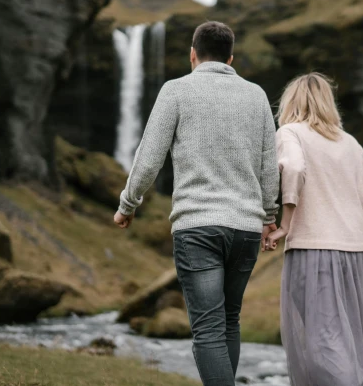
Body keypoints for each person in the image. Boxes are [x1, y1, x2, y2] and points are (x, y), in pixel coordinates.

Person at [113, 21, 280, 386]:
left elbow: (149, 156)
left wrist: (128, 203)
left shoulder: (176, 90)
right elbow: (270, 165)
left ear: (193, 54)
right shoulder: (256, 95)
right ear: (230, 58)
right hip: (247, 229)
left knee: (207, 328)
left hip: (198, 228)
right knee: (229, 320)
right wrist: (269, 216)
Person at [265, 73, 363, 386]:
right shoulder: (351, 143)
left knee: (323, 340)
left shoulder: (290, 132)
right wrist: (349, 231)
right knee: (351, 341)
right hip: (356, 255)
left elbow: (293, 167)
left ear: (291, 101)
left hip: (313, 250)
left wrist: (285, 224)